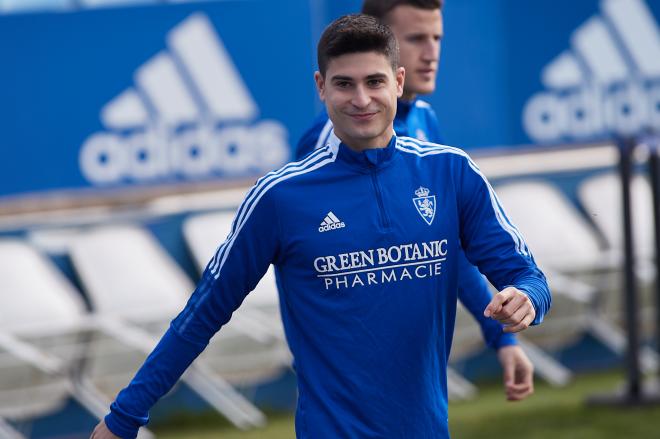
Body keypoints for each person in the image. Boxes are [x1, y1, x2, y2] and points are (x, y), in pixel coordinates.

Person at [91, 14, 550, 439]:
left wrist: (524, 302)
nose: (362, 99)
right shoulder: (280, 197)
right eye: (344, 84)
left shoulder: (452, 172)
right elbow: (203, 313)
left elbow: (527, 275)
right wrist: (124, 417)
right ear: (321, 87)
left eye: (375, 82)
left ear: (398, 81)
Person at [298, 0, 536, 402]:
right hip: (350, 385)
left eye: (437, 37)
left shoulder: (425, 120)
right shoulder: (332, 139)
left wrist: (503, 338)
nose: (432, 52)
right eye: (416, 38)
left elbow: (446, 248)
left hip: (416, 383)